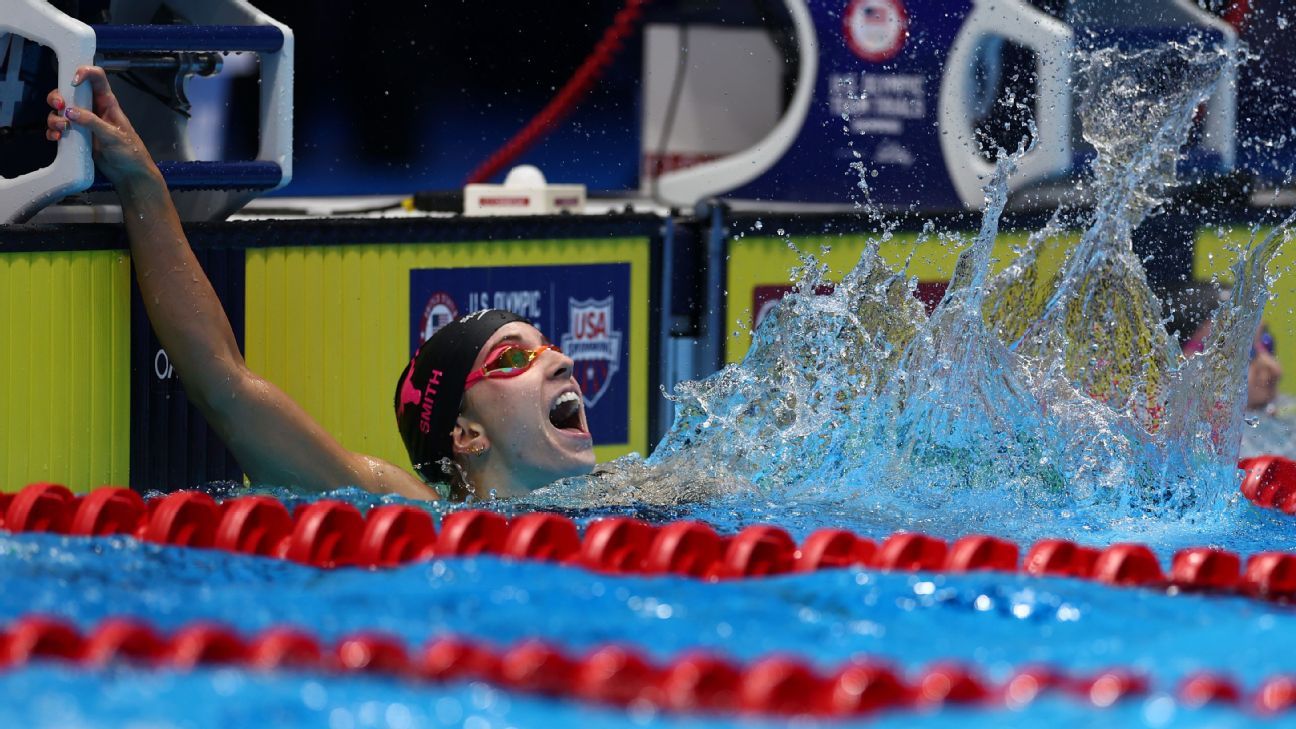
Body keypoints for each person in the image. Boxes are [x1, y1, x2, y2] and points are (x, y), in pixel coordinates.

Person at [45, 66, 596, 500]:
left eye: (546, 346)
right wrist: (141, 180)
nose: (562, 360)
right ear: (466, 436)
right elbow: (223, 383)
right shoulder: (409, 516)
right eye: (510, 357)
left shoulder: (627, 500)